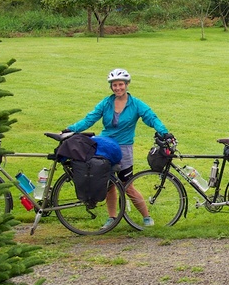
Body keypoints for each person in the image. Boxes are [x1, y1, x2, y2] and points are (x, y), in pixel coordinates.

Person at [65, 68, 170, 227]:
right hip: (105, 147)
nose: (118, 88)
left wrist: (164, 132)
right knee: (108, 185)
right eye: (114, 85)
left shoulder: (136, 104)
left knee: (127, 186)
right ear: (111, 87)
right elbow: (90, 118)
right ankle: (112, 218)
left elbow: (151, 117)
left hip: (124, 148)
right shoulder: (106, 103)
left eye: (121, 84)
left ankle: (146, 217)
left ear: (127, 85)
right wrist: (71, 129)